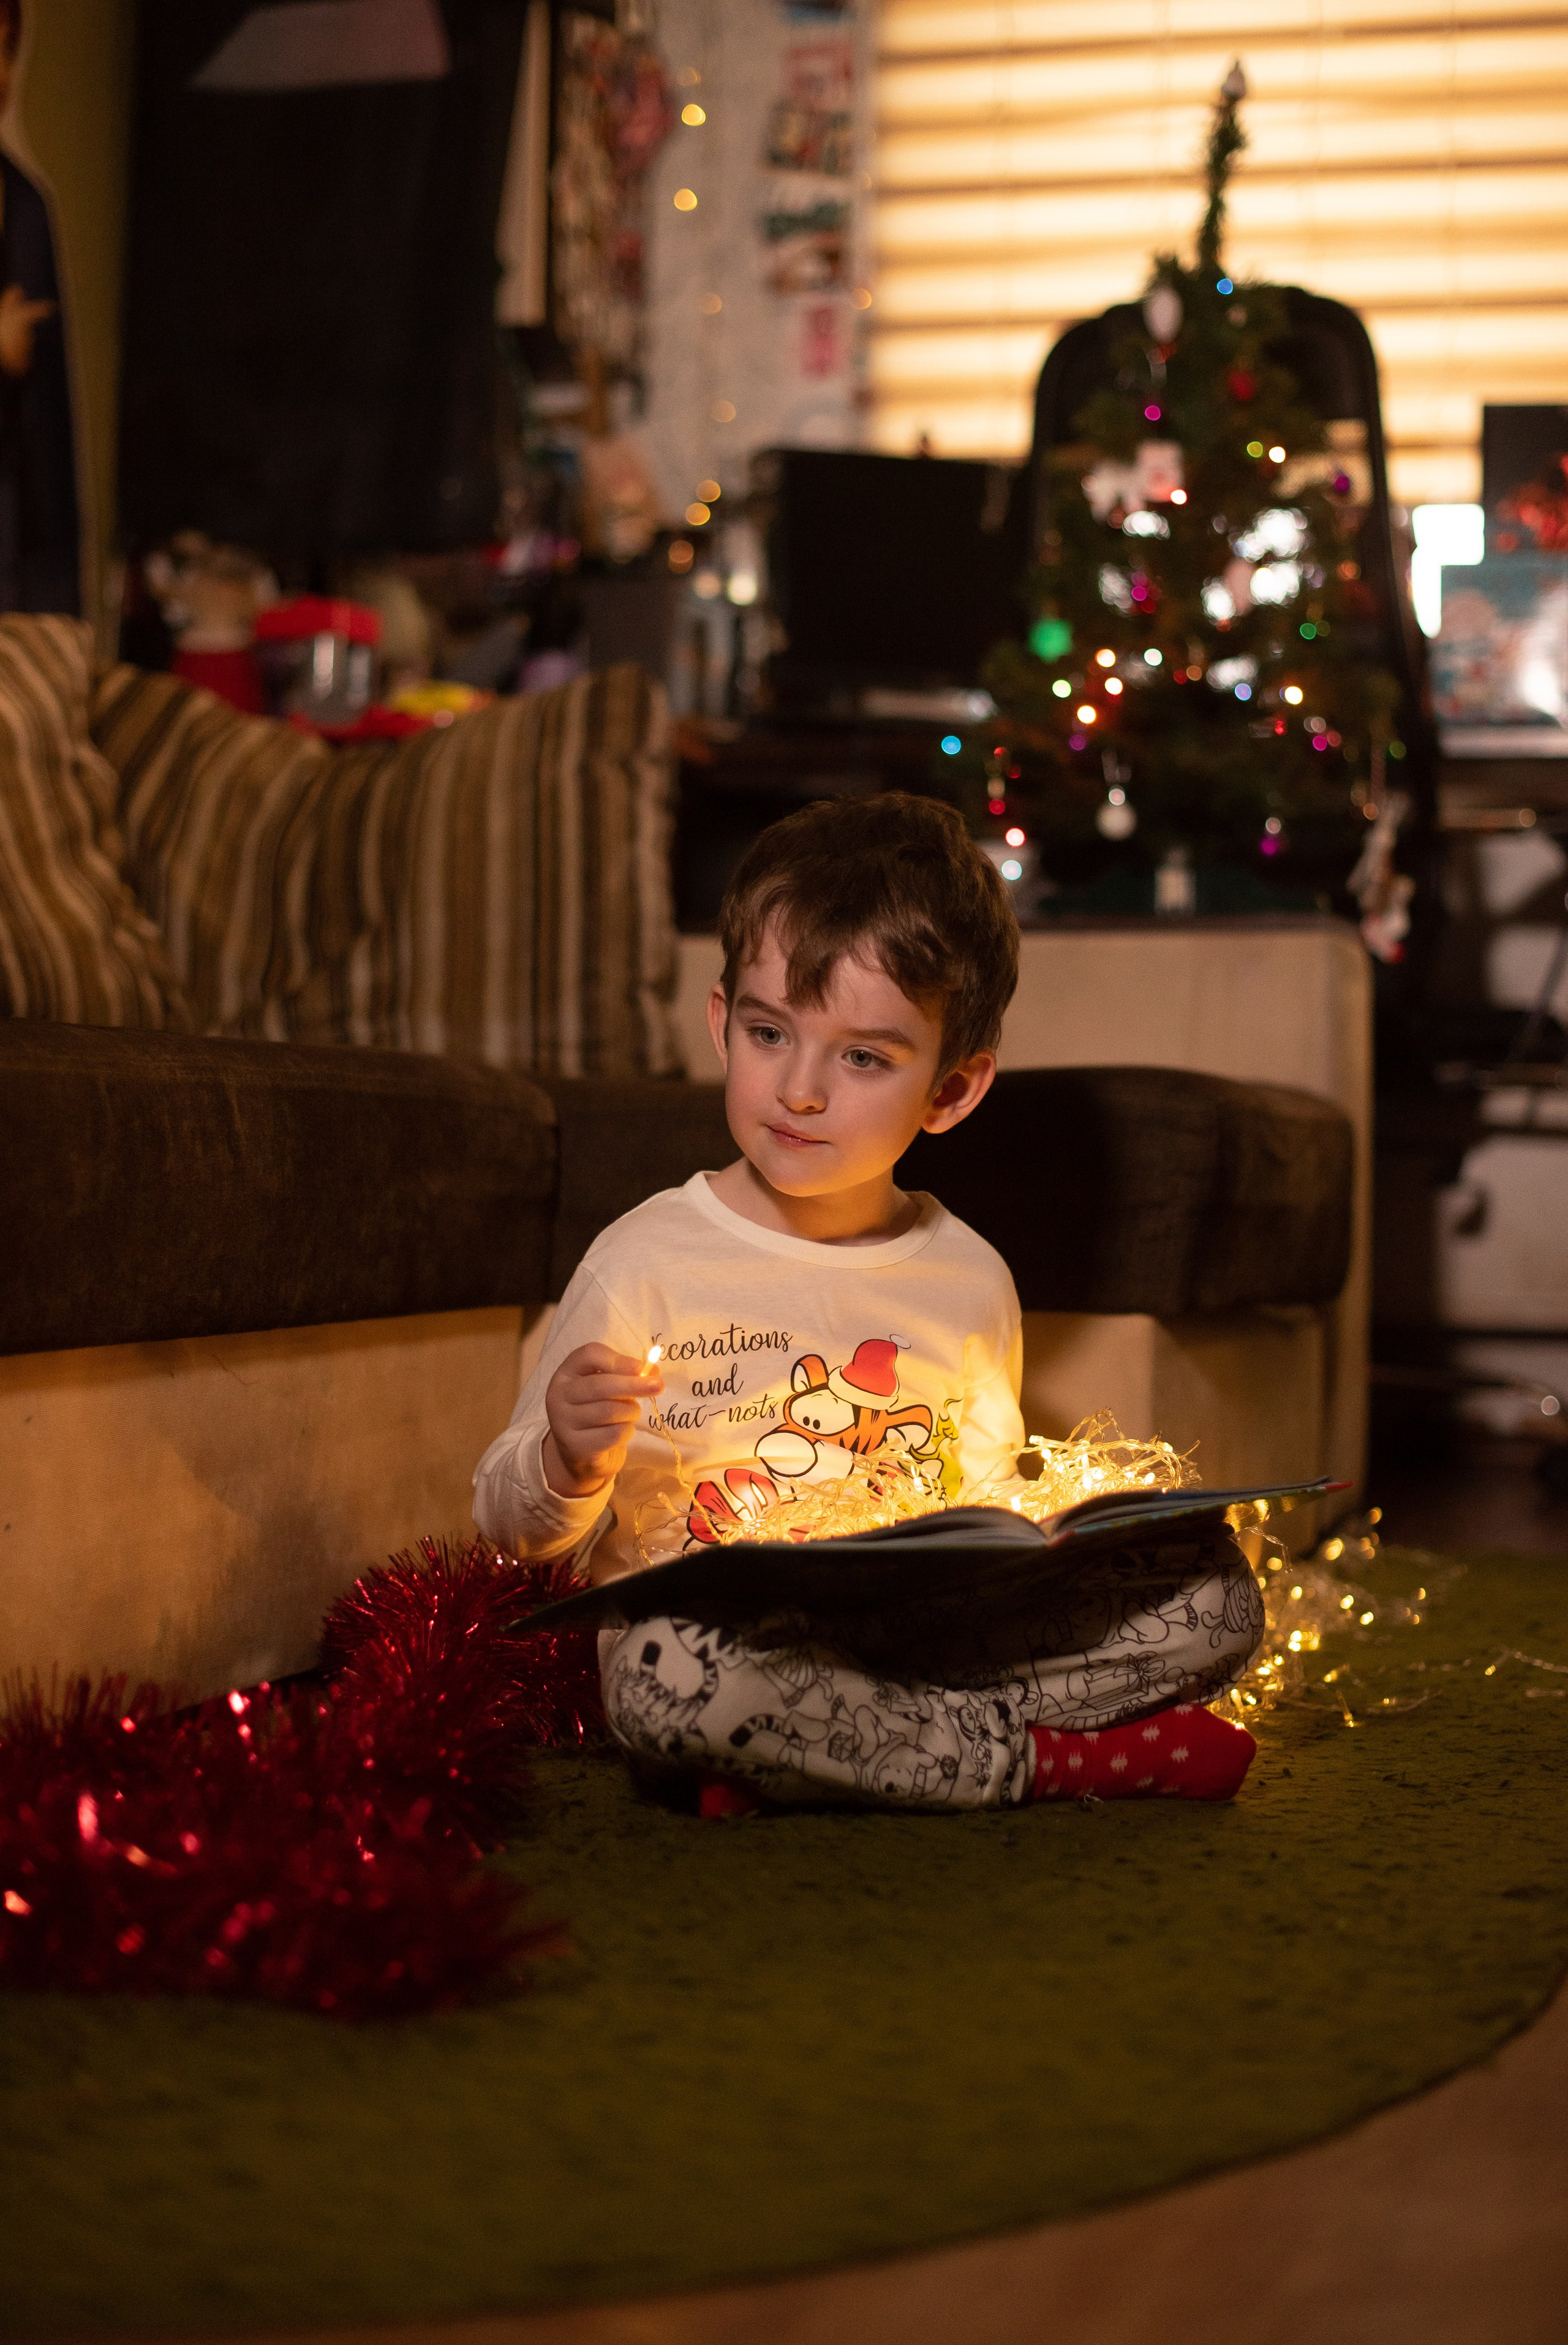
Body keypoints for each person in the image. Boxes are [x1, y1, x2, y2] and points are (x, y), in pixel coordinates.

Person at [473, 794, 1262, 1813]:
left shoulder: (969, 1279)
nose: (800, 1090)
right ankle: (1037, 1763)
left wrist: (1021, 1554)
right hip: (720, 1643)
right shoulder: (645, 1260)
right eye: (770, 1033)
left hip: (921, 1646)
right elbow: (507, 1528)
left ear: (951, 1091)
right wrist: (564, 1462)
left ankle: (824, 1754)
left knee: (1216, 1601)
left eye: (862, 1058)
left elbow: (982, 1511)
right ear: (722, 1023)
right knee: (674, 1676)